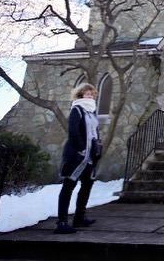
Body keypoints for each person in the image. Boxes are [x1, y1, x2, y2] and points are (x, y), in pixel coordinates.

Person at [54, 83, 102, 234]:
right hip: (77, 155)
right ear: (81, 94)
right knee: (68, 186)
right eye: (87, 93)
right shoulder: (77, 109)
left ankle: (79, 218)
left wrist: (97, 148)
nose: (90, 95)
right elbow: (73, 131)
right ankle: (62, 222)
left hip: (90, 156)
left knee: (87, 185)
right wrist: (81, 149)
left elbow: (95, 132)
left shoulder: (92, 111)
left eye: (92, 93)